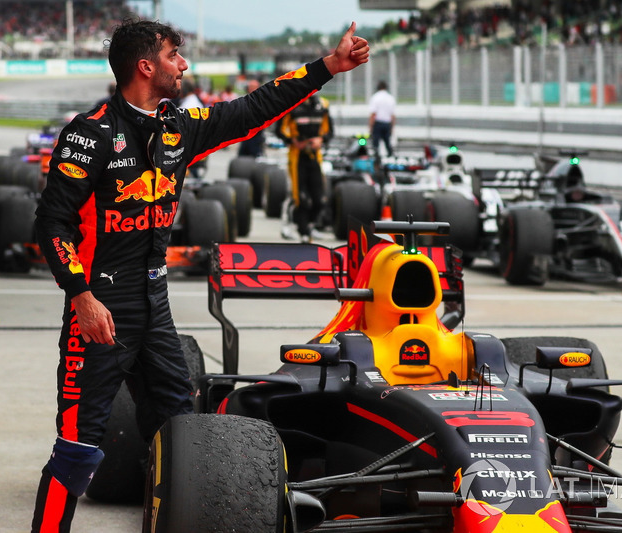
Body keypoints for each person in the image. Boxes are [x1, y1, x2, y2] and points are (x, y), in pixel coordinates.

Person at [29, 18, 368, 532]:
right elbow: (51, 222)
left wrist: (328, 67)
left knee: (186, 435)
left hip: (156, 307)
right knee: (77, 450)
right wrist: (80, 295)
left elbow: (253, 109)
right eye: (174, 55)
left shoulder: (177, 128)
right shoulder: (89, 133)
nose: (184, 64)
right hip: (101, 308)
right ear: (146, 66)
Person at [275, 92, 333, 242]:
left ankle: (310, 226)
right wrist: (292, 141)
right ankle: (298, 229)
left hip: (315, 156)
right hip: (297, 156)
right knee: (299, 197)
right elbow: (279, 130)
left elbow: (329, 131)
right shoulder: (291, 104)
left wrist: (321, 140)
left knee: (319, 198)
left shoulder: (323, 105)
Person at [236, 78, 265, 158]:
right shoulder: (243, 100)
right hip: (244, 136)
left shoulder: (262, 101)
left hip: (256, 136)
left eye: (254, 87)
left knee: (256, 159)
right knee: (242, 160)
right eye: (250, 87)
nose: (252, 89)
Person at [368, 80, 396, 157]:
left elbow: (373, 114)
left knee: (375, 145)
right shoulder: (390, 98)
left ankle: (376, 160)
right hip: (387, 123)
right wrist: (392, 127)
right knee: (388, 143)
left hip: (378, 123)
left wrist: (370, 126)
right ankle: (390, 157)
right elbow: (393, 115)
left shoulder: (375, 97)